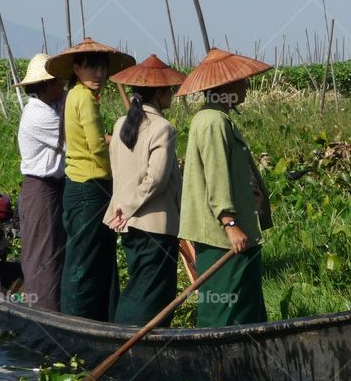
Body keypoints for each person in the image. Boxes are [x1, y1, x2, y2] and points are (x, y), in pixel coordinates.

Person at [177, 48, 272, 327]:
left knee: (245, 304)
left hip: (235, 232)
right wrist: (230, 223)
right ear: (226, 85)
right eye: (241, 81)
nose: (245, 86)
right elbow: (216, 177)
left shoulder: (219, 119)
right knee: (225, 306)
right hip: (221, 236)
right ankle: (216, 360)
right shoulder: (212, 122)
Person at [45, 38, 135, 321]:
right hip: (90, 189)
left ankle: (99, 319)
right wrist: (126, 153)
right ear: (76, 68)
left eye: (102, 69)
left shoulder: (75, 94)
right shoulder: (83, 97)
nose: (98, 75)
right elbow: (97, 145)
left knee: (96, 258)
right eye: (91, 68)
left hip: (83, 188)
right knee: (84, 261)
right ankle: (77, 321)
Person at [103, 55, 185, 325]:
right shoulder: (163, 128)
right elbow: (156, 179)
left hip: (126, 222)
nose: (172, 94)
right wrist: (129, 206)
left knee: (141, 285)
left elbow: (118, 170)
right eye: (169, 90)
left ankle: (125, 335)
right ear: (159, 93)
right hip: (153, 223)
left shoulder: (120, 124)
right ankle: (128, 339)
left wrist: (123, 207)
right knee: (151, 293)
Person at [16, 54, 66, 311]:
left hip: (54, 189)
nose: (64, 86)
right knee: (44, 255)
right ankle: (44, 313)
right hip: (41, 190)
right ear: (47, 84)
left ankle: (54, 306)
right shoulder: (37, 113)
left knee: (57, 250)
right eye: (60, 81)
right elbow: (74, 139)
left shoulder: (54, 105)